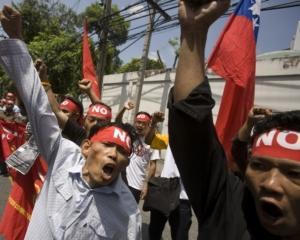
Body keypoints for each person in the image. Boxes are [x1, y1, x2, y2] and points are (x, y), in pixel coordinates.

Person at [0, 6, 141, 239]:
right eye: (108, 145)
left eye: (122, 151)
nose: (114, 155)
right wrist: (17, 38)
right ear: (86, 147)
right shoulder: (62, 155)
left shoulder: (128, 214)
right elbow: (40, 109)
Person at [168, 0, 300, 239]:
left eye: (294, 174)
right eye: (259, 166)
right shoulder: (229, 205)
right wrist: (193, 31)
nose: (270, 183)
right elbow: (191, 124)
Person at [126, 111, 160, 203]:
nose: (140, 125)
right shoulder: (130, 136)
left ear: (148, 125)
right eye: (138, 122)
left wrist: (146, 185)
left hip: (137, 185)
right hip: (122, 181)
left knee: (130, 214)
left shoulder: (153, 142)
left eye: (143, 123)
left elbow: (153, 166)